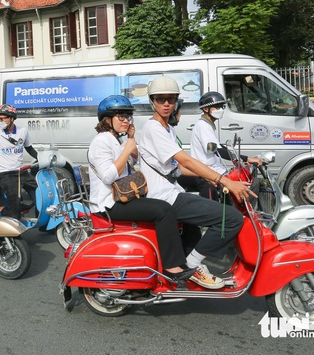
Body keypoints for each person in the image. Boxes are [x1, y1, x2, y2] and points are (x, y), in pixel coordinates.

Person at [137, 76, 254, 289]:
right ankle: (192, 266)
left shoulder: (166, 128)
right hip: (164, 197)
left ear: (176, 102)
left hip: (173, 191)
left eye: (170, 99)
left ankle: (190, 261)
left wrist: (212, 178)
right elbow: (186, 160)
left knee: (209, 216)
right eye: (160, 99)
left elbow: (179, 167)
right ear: (152, 101)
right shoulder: (154, 128)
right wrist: (222, 178)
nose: (166, 104)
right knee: (232, 218)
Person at [88, 95, 194, 280]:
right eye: (120, 116)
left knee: (172, 207)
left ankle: (185, 258)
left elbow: (135, 159)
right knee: (163, 210)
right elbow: (107, 176)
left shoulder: (118, 140)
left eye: (128, 116)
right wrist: (127, 148)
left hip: (124, 198)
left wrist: (130, 139)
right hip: (109, 205)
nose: (126, 120)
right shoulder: (101, 141)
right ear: (107, 119)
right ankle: (172, 267)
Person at [189, 91, 262, 200]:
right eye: (216, 107)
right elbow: (218, 151)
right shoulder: (203, 126)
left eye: (221, 107)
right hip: (208, 169)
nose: (220, 110)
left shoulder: (208, 124)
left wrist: (242, 159)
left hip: (215, 168)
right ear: (205, 109)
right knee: (247, 185)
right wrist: (247, 158)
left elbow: (219, 147)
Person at [0, 104, 38, 219]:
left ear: (12, 118)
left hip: (21, 171)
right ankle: (15, 232)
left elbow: (29, 148)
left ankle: (43, 222)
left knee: (39, 194)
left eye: (2, 119)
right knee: (15, 203)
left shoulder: (23, 132)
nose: (0, 121)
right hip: (6, 174)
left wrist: (40, 159)